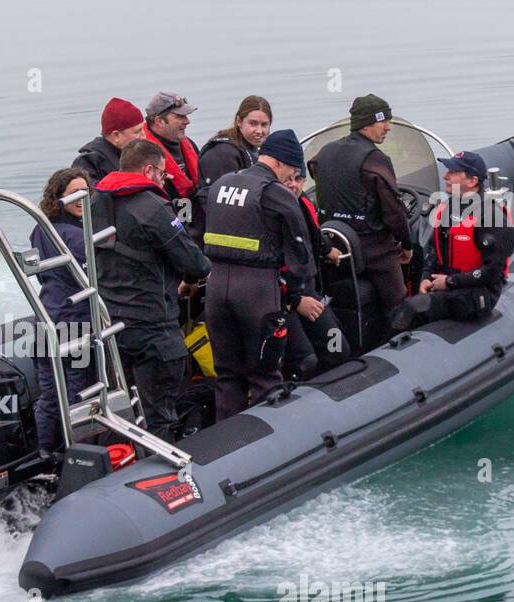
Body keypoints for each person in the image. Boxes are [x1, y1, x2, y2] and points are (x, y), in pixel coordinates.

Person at [91, 139, 211, 441]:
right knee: (160, 415)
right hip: (152, 327)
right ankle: (165, 478)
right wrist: (190, 280)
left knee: (126, 410)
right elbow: (195, 262)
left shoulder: (94, 202)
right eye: (162, 174)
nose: (164, 180)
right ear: (148, 169)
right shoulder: (153, 207)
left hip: (111, 326)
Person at [202, 129, 311, 420]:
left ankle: (226, 443)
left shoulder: (222, 185)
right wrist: (295, 294)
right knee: (265, 375)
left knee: (227, 375)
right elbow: (300, 251)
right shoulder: (275, 193)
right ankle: (271, 443)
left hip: (216, 290)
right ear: (281, 162)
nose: (292, 177)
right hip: (256, 292)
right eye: (292, 169)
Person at [308, 94, 413, 330]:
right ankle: (400, 340)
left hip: (334, 247)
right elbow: (394, 212)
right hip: (374, 250)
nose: (388, 127)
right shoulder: (375, 159)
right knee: (397, 303)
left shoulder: (324, 152)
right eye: (383, 121)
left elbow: (313, 169)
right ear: (366, 124)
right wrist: (406, 244)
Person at [390, 151, 514, 331]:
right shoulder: (447, 210)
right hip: (450, 284)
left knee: (413, 308)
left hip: (478, 293)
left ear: (472, 181)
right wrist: (426, 278)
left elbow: (492, 272)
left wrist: (450, 282)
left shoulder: (492, 218)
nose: (445, 176)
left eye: (453, 172)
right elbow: (433, 254)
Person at [30, 169, 93, 452]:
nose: (82, 199)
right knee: (78, 393)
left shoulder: (41, 228)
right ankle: (75, 453)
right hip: (75, 324)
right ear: (59, 198)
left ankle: (44, 451)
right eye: (75, 194)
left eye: (85, 193)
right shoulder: (78, 237)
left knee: (49, 395)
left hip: (45, 320)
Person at [283, 167, 351, 379]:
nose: (293, 184)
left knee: (337, 346)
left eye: (298, 179)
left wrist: (327, 249)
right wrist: (294, 301)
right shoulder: (269, 213)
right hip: (282, 300)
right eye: (288, 179)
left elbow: (314, 233)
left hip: (307, 291)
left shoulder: (303, 203)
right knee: (305, 360)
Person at [197, 95, 273, 210]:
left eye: (264, 125)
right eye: (252, 123)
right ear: (239, 121)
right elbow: (217, 201)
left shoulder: (256, 147)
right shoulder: (222, 154)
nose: (259, 131)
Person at [141, 92, 202, 212]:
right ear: (159, 121)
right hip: (165, 216)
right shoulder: (142, 154)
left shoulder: (189, 144)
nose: (187, 121)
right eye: (180, 117)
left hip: (190, 213)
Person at [71, 98, 146, 185]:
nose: (144, 136)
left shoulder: (139, 154)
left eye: (143, 129)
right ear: (116, 135)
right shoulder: (88, 162)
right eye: (137, 132)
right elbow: (91, 194)